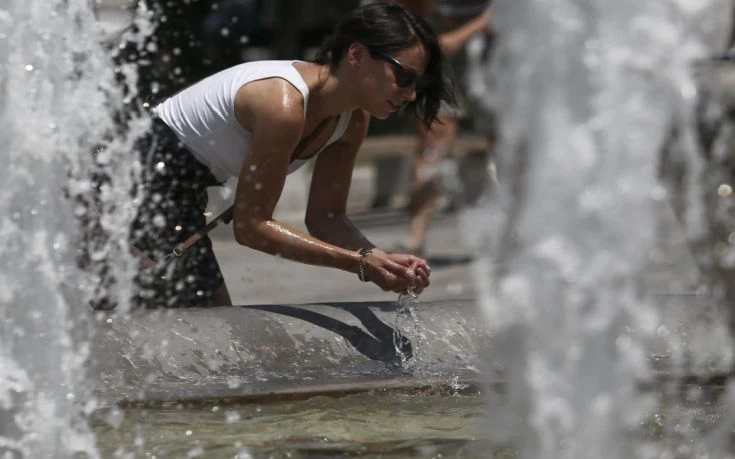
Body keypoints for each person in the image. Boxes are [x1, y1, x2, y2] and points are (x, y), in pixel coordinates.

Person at [129, 1, 455, 308]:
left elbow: (326, 217)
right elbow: (251, 227)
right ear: (356, 54)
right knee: (196, 331)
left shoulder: (353, 119)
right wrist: (359, 264)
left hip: (176, 198)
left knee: (207, 333)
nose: (411, 94)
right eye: (404, 76)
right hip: (132, 180)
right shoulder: (283, 104)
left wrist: (379, 259)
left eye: (418, 83)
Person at [398, 0, 493, 256]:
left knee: (506, 143)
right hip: (438, 40)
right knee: (432, 146)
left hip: (492, 45)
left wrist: (461, 35)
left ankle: (516, 232)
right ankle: (415, 234)